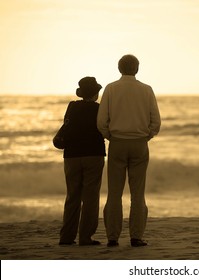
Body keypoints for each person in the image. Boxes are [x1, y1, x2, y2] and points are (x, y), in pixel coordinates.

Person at [97, 54, 161, 247]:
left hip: (117, 143)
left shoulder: (110, 88)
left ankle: (113, 237)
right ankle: (136, 236)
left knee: (114, 193)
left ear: (119, 68)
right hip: (139, 143)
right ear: (137, 68)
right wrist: (147, 135)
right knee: (138, 192)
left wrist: (110, 136)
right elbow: (156, 122)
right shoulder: (146, 89)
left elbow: (101, 121)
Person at [59, 77, 106, 246]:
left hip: (72, 156)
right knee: (90, 197)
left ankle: (66, 237)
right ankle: (85, 237)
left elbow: (67, 126)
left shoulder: (72, 106)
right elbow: (104, 129)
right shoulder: (99, 109)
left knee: (72, 196)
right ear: (95, 93)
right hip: (93, 155)